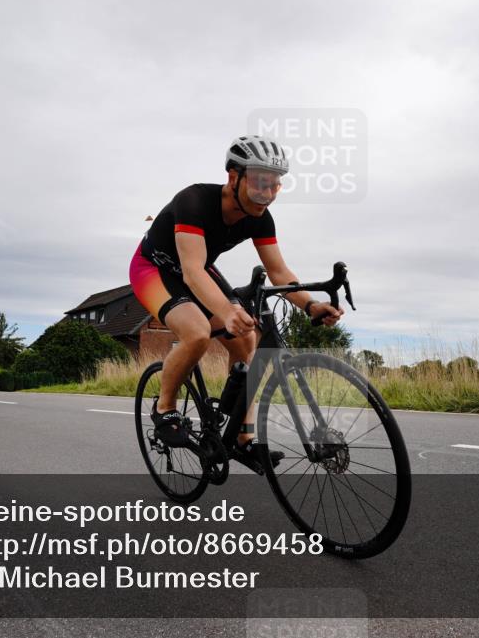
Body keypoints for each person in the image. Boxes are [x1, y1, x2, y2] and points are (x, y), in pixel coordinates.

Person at [130, 135, 344, 469]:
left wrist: (310, 306)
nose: (268, 194)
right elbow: (191, 273)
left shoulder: (259, 217)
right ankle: (165, 408)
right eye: (260, 183)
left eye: (275, 186)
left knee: (247, 338)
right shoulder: (194, 201)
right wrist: (226, 310)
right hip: (154, 269)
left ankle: (242, 438)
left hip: (198, 269)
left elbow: (279, 271)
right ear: (234, 177)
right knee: (198, 332)